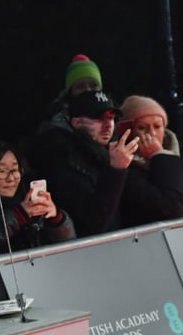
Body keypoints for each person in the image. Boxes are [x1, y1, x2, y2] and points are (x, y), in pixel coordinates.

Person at [29, 90, 139, 237]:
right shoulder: (61, 157)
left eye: (112, 118)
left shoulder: (109, 152)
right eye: (99, 118)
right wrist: (116, 169)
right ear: (76, 122)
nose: (108, 125)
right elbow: (95, 223)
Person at [118, 95, 183, 227]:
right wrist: (159, 156)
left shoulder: (179, 156)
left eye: (157, 126)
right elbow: (172, 207)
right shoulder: (127, 171)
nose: (152, 134)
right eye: (142, 128)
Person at [0, 141, 75, 253]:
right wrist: (18, 215)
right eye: (1, 171)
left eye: (15, 170)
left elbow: (70, 246)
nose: (11, 178)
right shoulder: (22, 209)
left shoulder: (27, 199)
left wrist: (55, 218)